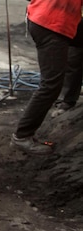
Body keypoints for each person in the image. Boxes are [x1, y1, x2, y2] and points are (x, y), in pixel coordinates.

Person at [10, 0, 83, 155]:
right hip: (51, 25)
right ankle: (22, 136)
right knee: (51, 85)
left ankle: (68, 100)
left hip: (49, 17)